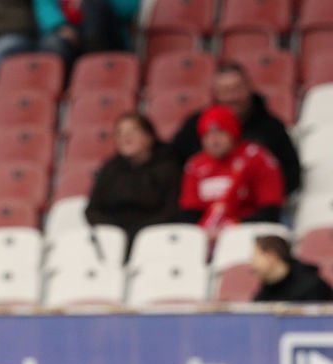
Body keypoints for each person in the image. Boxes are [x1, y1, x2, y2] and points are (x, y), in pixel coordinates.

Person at [170, 62, 301, 194]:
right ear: (215, 94)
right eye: (225, 91)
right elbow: (173, 161)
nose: (232, 97)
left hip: (260, 205)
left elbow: (291, 172)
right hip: (206, 204)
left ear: (249, 88)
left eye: (237, 88)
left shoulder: (272, 127)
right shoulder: (196, 125)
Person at [179, 105, 284, 238]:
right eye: (207, 135)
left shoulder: (257, 158)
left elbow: (270, 211)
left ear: (232, 132)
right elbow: (189, 214)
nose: (213, 140)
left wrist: (231, 228)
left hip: (249, 234)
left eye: (219, 133)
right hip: (206, 235)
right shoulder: (195, 165)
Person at [85, 112, 183, 254]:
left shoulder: (168, 168)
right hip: (112, 240)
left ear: (149, 137)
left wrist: (139, 233)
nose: (126, 137)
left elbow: (171, 210)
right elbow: (92, 210)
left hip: (155, 238)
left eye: (133, 131)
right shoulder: (110, 169)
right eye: (120, 133)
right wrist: (114, 232)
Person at [33, 0, 141, 65]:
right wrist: (59, 26)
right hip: (68, 30)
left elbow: (129, 7)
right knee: (54, 45)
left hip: (106, 33)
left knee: (93, 7)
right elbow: (44, 7)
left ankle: (97, 70)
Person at [252, 235, 333, 302]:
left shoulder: (313, 287)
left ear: (271, 256)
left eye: (255, 258)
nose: (252, 265)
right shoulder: (265, 292)